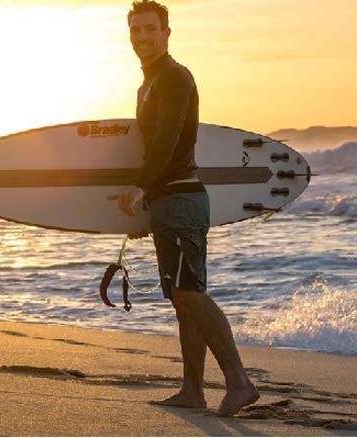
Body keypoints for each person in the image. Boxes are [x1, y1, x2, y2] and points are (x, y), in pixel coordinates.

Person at [107, 0, 259, 417]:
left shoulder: (174, 77)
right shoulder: (149, 83)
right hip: (169, 201)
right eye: (135, 30)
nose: (142, 37)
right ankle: (192, 389)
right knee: (182, 297)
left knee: (191, 296)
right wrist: (149, 201)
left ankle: (240, 382)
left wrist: (140, 187)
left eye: (150, 29)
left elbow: (168, 142)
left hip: (183, 201)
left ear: (167, 33)